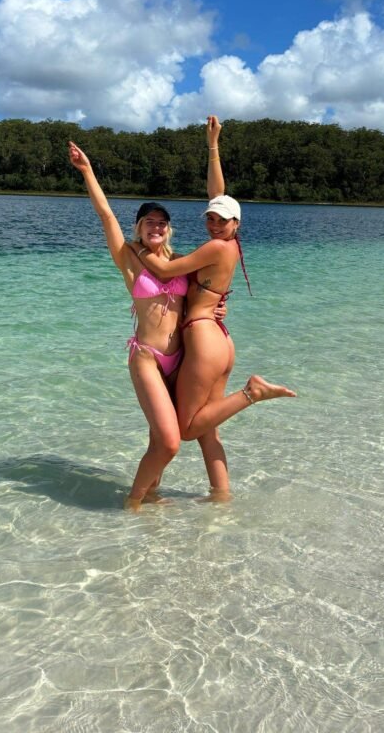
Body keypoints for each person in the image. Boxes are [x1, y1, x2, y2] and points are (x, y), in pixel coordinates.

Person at [68, 138, 229, 509]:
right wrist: (87, 171)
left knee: (161, 437)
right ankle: (133, 502)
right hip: (147, 358)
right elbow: (106, 216)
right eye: (148, 222)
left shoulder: (183, 262)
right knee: (170, 442)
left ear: (168, 230)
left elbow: (208, 292)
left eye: (161, 222)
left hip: (182, 359)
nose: (155, 226)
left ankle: (151, 493)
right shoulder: (129, 258)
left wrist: (218, 310)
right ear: (139, 227)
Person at [131, 116, 295, 446]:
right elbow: (217, 195)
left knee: (188, 429)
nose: (215, 224)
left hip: (204, 338)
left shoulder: (216, 247)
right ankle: (221, 484)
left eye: (223, 220)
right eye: (211, 219)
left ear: (236, 223)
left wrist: (137, 248)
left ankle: (251, 393)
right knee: (208, 434)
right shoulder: (227, 244)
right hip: (218, 337)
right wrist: (213, 145)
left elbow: (165, 271)